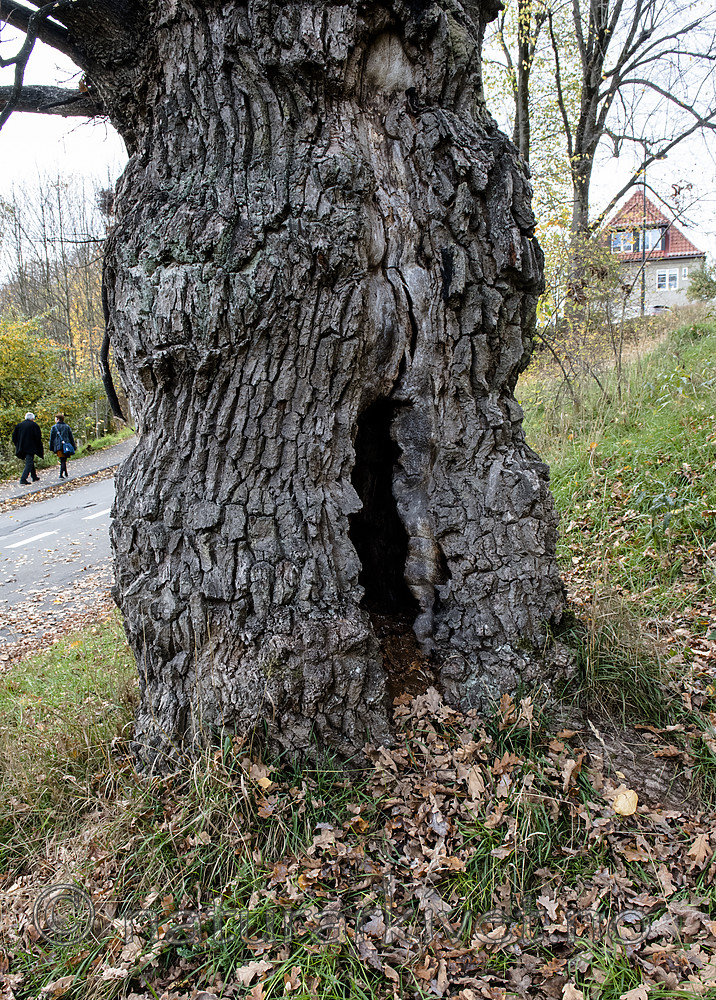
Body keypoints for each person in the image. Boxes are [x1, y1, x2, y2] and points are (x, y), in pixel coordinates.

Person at [12, 412, 44, 485]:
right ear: (32, 419)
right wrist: (38, 447)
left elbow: (14, 437)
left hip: (21, 447)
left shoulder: (19, 425)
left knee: (30, 461)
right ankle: (23, 478)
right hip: (31, 447)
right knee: (29, 462)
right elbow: (38, 437)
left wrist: (17, 445)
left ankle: (34, 476)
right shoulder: (34, 425)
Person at [49, 413, 76, 479]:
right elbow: (71, 437)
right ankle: (65, 473)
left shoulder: (54, 427)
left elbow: (51, 438)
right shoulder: (67, 427)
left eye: (55, 419)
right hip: (66, 445)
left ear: (58, 419)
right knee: (64, 459)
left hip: (58, 446)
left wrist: (51, 447)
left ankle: (61, 475)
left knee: (62, 460)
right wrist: (73, 446)